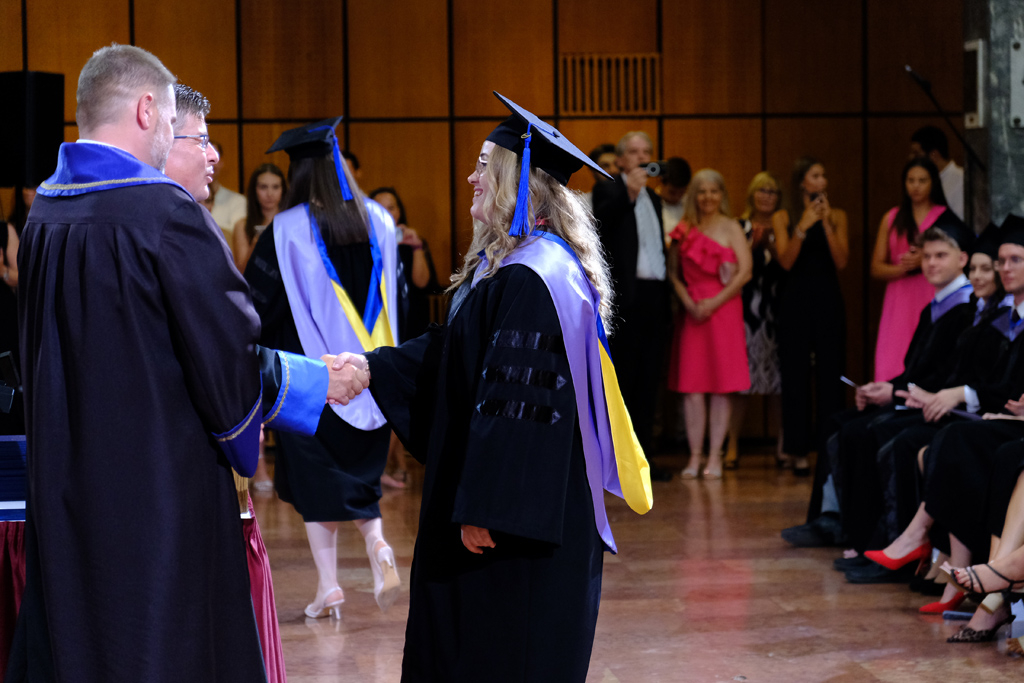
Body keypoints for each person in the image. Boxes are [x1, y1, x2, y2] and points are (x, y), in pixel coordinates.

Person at [9, 44, 366, 683]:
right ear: (148, 109)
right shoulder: (164, 213)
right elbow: (225, 359)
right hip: (154, 496)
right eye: (177, 122)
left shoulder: (48, 213)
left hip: (66, 490)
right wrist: (316, 381)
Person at [337, 91, 653, 683]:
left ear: (516, 179)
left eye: (484, 165)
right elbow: (457, 353)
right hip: (497, 510)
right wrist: (373, 367)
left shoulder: (538, 277)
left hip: (513, 527)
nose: (471, 177)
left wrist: (488, 508)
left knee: (505, 655)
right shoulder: (511, 267)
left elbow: (521, 406)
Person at [244, 118, 402, 618]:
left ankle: (330, 585)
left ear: (298, 175)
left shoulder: (285, 229)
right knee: (358, 477)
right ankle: (375, 546)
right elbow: (399, 295)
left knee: (316, 482)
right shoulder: (380, 220)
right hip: (371, 375)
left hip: (309, 378)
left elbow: (256, 304)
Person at [593, 131, 672, 481]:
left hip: (654, 297)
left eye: (647, 151)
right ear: (622, 160)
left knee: (649, 383)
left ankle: (644, 462)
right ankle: (617, 464)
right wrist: (629, 192)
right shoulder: (608, 190)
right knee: (624, 381)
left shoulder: (654, 198)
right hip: (626, 300)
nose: (642, 157)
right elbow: (601, 228)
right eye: (635, 152)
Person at [667, 169, 751, 478]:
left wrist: (714, 302)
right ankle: (694, 457)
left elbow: (745, 272)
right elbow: (672, 273)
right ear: (694, 195)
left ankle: (715, 456)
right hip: (692, 311)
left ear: (722, 195)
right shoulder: (683, 228)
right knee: (692, 388)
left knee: (720, 388)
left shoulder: (732, 227)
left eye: (714, 191)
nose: (708, 197)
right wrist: (688, 302)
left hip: (724, 309)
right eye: (702, 191)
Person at [773, 157, 849, 476]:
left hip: (828, 299)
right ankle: (797, 450)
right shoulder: (783, 216)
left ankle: (830, 447)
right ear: (802, 181)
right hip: (795, 302)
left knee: (831, 373)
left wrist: (826, 223)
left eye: (824, 175)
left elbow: (842, 261)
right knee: (795, 374)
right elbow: (785, 262)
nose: (822, 181)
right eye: (816, 175)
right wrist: (803, 226)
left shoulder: (838, 215)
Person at [871, 158, 950, 381]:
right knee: (893, 356)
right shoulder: (892, 217)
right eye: (911, 180)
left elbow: (955, 260)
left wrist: (923, 261)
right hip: (899, 298)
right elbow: (876, 267)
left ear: (933, 183)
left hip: (931, 292)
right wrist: (903, 268)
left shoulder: (945, 216)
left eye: (922, 180)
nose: (916, 186)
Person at [726, 171, 784, 469]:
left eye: (772, 191)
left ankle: (782, 444)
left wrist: (774, 246)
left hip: (778, 312)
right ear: (752, 194)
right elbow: (731, 267)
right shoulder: (739, 226)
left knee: (779, 381)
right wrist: (751, 248)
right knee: (742, 381)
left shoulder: (785, 225)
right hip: (746, 312)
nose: (766, 196)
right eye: (762, 190)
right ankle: (732, 444)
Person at [232, 163, 287, 273]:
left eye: (275, 187)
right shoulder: (242, 226)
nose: (270, 194)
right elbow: (241, 270)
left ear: (283, 190)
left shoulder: (291, 223)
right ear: (254, 190)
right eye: (263, 187)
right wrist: (256, 244)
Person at [910, 125, 963, 220]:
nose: (912, 158)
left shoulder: (962, 181)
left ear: (934, 155)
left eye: (916, 153)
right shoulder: (919, 180)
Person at [202, 140, 248, 243]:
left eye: (214, 157)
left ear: (221, 162)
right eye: (205, 156)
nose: (210, 162)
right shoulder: (184, 198)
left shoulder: (238, 201)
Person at [658, 157, 691, 246]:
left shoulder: (691, 204)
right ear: (661, 182)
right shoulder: (650, 204)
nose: (677, 197)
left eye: (681, 192)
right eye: (672, 192)